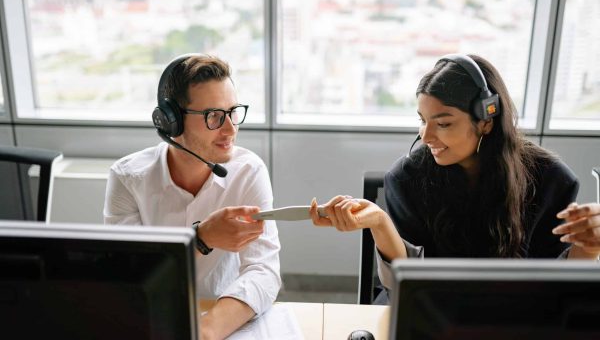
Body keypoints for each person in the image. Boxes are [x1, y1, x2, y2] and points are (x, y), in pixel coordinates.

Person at [310, 54, 600, 297]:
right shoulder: (407, 178)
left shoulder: (550, 180)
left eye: (444, 123)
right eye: (422, 121)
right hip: (434, 316)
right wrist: (380, 222)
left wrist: (589, 247)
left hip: (518, 319)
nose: (426, 136)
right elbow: (407, 285)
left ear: (486, 121)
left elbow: (561, 288)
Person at [104, 54, 281, 340]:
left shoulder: (249, 171)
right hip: (150, 317)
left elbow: (264, 270)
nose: (231, 129)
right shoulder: (127, 178)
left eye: (233, 111)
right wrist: (200, 239)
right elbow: (128, 274)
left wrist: (206, 332)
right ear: (171, 121)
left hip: (224, 318)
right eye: (214, 116)